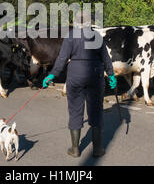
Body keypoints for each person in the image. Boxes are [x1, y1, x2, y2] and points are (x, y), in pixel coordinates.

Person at [42, 11, 117, 158]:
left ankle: (75, 149)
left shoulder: (71, 36)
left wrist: (52, 75)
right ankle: (97, 149)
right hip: (95, 75)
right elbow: (106, 59)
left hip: (75, 75)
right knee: (96, 111)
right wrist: (112, 75)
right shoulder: (96, 36)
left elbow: (62, 58)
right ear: (90, 22)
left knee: (75, 110)